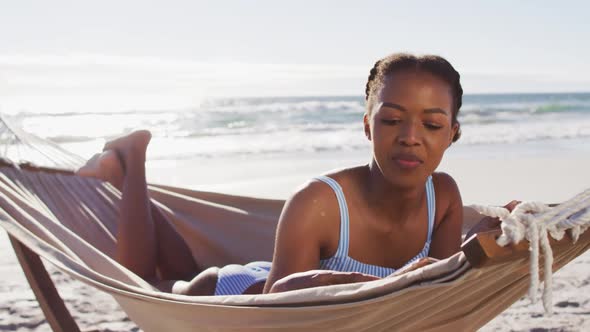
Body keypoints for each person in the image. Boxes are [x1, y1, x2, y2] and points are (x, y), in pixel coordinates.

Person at [77, 53, 484, 296]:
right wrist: (389, 281)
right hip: (236, 292)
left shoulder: (443, 195)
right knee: (152, 285)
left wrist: (496, 234)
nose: (411, 138)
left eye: (431, 126)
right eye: (392, 120)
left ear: (452, 134)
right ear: (367, 127)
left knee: (178, 265)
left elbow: (443, 283)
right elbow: (278, 300)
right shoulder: (319, 203)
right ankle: (133, 157)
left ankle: (129, 177)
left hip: (285, 278)